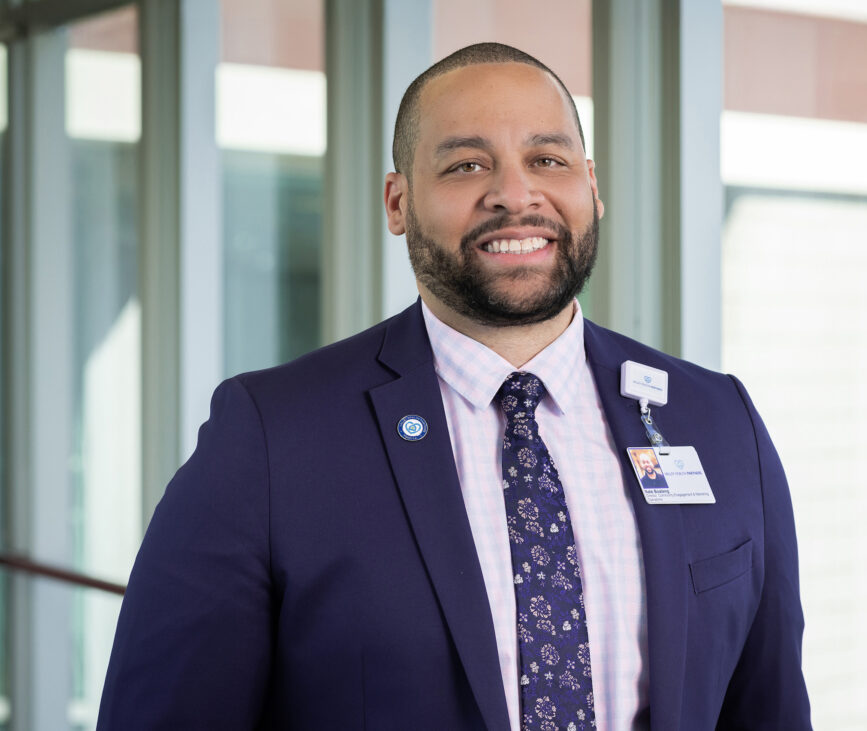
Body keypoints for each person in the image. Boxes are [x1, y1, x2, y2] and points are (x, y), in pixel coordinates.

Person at [98, 43, 811, 730]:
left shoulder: (721, 423)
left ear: (591, 186)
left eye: (547, 159)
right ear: (397, 202)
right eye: (467, 164)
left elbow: (769, 710)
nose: (514, 193)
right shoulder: (268, 441)